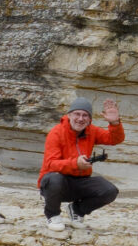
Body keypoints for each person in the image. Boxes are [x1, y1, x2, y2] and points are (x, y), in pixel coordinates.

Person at [39, 96, 124, 231]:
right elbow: (51, 164)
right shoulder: (56, 132)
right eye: (77, 114)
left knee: (110, 190)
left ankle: (77, 210)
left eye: (85, 115)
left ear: (90, 119)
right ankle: (53, 215)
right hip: (57, 184)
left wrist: (115, 123)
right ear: (69, 115)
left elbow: (114, 139)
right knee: (54, 179)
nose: (80, 118)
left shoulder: (92, 131)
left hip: (80, 182)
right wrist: (75, 163)